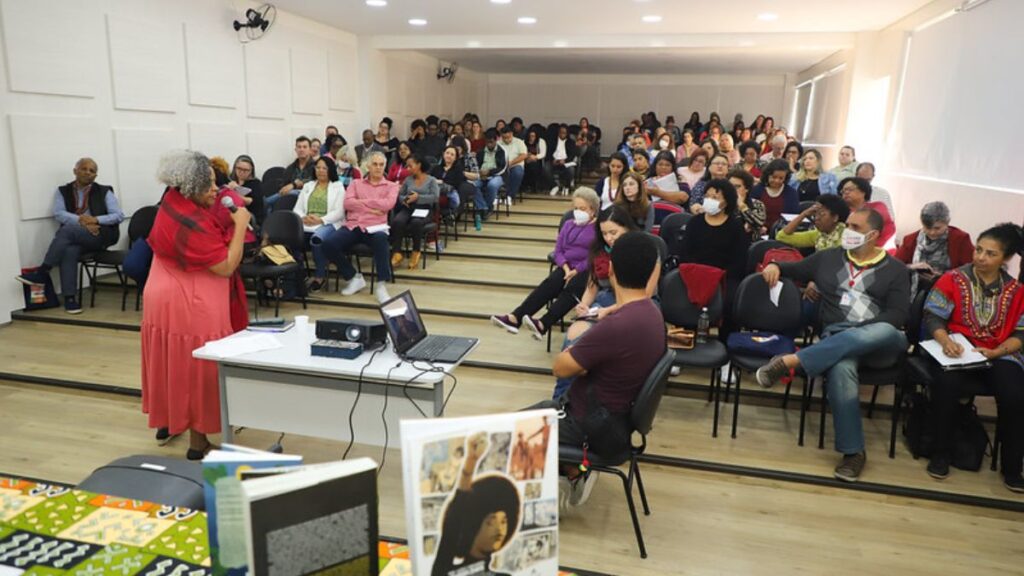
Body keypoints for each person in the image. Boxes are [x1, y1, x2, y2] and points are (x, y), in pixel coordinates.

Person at [757, 207, 910, 483]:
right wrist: (774, 265)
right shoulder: (828, 258)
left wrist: (854, 332)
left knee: (886, 329)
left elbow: (898, 316)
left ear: (874, 235)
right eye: (847, 225)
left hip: (880, 343)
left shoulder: (896, 270)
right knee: (841, 368)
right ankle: (854, 453)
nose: (847, 231)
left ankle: (794, 361)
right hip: (838, 342)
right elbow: (791, 267)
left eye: (856, 227)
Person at [527, 231, 666, 506]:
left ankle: (534, 499)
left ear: (611, 268)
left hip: (591, 424)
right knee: (544, 406)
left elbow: (560, 367)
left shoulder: (618, 325)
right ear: (652, 272)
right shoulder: (652, 313)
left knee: (505, 432)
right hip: (615, 421)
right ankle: (573, 470)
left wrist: (577, 349)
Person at [142, 150, 250, 459]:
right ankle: (198, 444)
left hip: (163, 294)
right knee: (196, 371)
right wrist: (241, 225)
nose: (217, 191)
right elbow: (227, 265)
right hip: (190, 301)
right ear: (192, 188)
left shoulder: (171, 202)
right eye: (210, 186)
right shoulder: (191, 222)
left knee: (173, 365)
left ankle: (171, 421)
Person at [922, 223, 1024, 492]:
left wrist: (997, 351)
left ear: (1006, 259)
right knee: (947, 385)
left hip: (1000, 352)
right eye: (979, 250)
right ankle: (941, 453)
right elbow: (933, 316)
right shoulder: (953, 279)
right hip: (958, 348)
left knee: (1015, 394)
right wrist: (945, 341)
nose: (980, 257)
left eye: (990, 254)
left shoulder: (1017, 291)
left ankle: (1013, 467)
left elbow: (1021, 334)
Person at [16, 158, 124, 314]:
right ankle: (70, 298)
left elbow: (118, 215)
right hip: (79, 235)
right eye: (84, 168)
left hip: (101, 235)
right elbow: (59, 213)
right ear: (75, 171)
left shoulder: (104, 191)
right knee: (69, 250)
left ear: (96, 175)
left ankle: (43, 271)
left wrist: (95, 220)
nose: (88, 172)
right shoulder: (63, 191)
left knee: (67, 230)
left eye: (92, 171)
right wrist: (83, 221)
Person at [491, 188, 599, 339]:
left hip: (586, 269)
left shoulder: (598, 228)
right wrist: (566, 267)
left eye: (583, 209)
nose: (578, 212)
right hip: (566, 266)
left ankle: (543, 324)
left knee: (573, 288)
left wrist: (576, 270)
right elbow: (559, 250)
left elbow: (595, 255)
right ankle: (515, 317)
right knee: (551, 283)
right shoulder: (568, 224)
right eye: (575, 208)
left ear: (593, 210)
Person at [431, 433, 520, 576]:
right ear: (473, 524)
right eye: (490, 522)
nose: (499, 529)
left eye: (504, 521)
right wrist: (471, 461)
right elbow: (455, 521)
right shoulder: (446, 571)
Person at [322, 151, 399, 302]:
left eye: (381, 164)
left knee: (381, 241)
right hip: (354, 225)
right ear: (368, 166)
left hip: (376, 227)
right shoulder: (356, 183)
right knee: (328, 244)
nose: (378, 168)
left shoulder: (391, 186)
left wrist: (362, 202)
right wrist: (372, 208)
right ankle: (353, 277)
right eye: (375, 164)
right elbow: (348, 203)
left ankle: (381, 285)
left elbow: (388, 204)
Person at [679, 179, 751, 339]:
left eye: (716, 197)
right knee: (681, 292)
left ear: (727, 202)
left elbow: (739, 260)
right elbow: (684, 253)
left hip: (724, 276)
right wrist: (698, 272)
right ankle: (685, 338)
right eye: (708, 196)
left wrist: (718, 276)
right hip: (694, 273)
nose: (710, 200)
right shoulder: (694, 223)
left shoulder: (735, 226)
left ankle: (727, 342)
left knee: (732, 299)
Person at [895, 201, 974, 297]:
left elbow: (971, 270)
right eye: (927, 228)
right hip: (914, 290)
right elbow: (894, 266)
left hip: (949, 291)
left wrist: (943, 276)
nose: (932, 232)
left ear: (947, 223)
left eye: (937, 228)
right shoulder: (911, 240)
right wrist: (912, 267)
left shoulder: (960, 239)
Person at [295, 157, 346, 292]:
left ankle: (320, 276)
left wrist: (321, 220)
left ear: (330, 170)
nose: (321, 171)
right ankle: (299, 273)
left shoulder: (338, 186)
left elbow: (340, 212)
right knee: (290, 239)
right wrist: (303, 217)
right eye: (318, 168)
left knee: (317, 239)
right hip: (307, 222)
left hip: (328, 222)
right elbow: (297, 208)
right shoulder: (308, 186)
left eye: (324, 168)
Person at [391, 153, 439, 271]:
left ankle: (416, 251)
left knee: (416, 222)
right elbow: (400, 196)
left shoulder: (431, 180)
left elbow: (435, 197)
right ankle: (397, 252)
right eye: (406, 166)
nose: (408, 169)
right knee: (398, 220)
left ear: (419, 165)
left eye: (410, 166)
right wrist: (407, 199)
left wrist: (419, 197)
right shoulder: (408, 180)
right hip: (408, 207)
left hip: (424, 209)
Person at [776, 193, 850, 252]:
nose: (817, 218)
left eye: (821, 214)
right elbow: (782, 237)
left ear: (835, 217)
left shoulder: (848, 236)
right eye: (815, 214)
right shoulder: (818, 234)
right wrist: (804, 214)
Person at [839, 177, 895, 246]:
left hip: (882, 246)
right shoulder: (842, 212)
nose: (846, 192)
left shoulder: (878, 206)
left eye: (850, 189)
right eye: (843, 191)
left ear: (863, 192)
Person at [469, 129, 507, 229]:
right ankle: (484, 208)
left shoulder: (502, 151)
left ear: (496, 141)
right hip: (481, 175)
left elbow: (503, 168)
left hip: (497, 175)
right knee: (472, 185)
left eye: (491, 142)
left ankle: (487, 207)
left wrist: (489, 172)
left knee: (492, 185)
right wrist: (479, 173)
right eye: (487, 142)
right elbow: (475, 165)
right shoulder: (481, 151)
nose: (489, 144)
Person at [265, 136, 315, 213]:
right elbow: (284, 185)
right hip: (289, 199)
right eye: (299, 147)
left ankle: (265, 202)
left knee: (290, 192)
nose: (301, 149)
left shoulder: (316, 166)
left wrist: (294, 185)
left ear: (310, 150)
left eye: (305, 147)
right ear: (296, 150)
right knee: (269, 207)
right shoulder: (290, 168)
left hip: (308, 195)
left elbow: (313, 181)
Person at [750, 159, 799, 231]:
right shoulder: (756, 190)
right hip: (758, 231)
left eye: (781, 178)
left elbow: (792, 217)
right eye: (774, 177)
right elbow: (750, 213)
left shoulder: (791, 193)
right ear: (768, 175)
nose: (777, 181)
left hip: (782, 232)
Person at [727, 169, 766, 240]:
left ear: (746, 189)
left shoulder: (757, 204)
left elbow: (758, 223)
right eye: (730, 186)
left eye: (737, 187)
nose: (732, 189)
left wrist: (741, 205)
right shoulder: (724, 203)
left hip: (751, 244)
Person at [431, 144, 470, 215]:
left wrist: (442, 182)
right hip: (435, 191)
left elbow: (456, 183)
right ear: (443, 154)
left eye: (452, 154)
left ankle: (449, 213)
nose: (449, 156)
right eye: (447, 153)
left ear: (455, 158)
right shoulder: (436, 168)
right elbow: (430, 179)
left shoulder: (458, 169)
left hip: (450, 192)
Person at [546, 124, 577, 196]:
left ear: (567, 133)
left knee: (571, 170)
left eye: (564, 133)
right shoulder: (552, 141)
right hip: (554, 161)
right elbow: (548, 153)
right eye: (560, 132)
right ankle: (554, 186)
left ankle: (567, 186)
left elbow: (572, 155)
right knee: (546, 168)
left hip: (566, 162)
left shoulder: (571, 142)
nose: (562, 134)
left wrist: (565, 161)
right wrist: (552, 160)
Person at [498, 126, 527, 203]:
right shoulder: (498, 143)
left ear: (511, 134)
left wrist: (511, 163)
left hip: (515, 165)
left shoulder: (519, 142)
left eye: (508, 137)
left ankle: (509, 196)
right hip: (502, 166)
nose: (506, 139)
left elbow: (523, 155)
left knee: (517, 172)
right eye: (504, 138)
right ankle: (498, 196)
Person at [522, 129, 548, 194]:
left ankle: (533, 186)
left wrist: (534, 157)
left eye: (533, 136)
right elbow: (521, 153)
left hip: (537, 161)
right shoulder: (523, 142)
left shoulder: (541, 141)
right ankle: (526, 186)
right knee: (527, 166)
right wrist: (527, 157)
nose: (531, 138)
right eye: (530, 136)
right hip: (526, 160)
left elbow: (543, 154)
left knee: (533, 166)